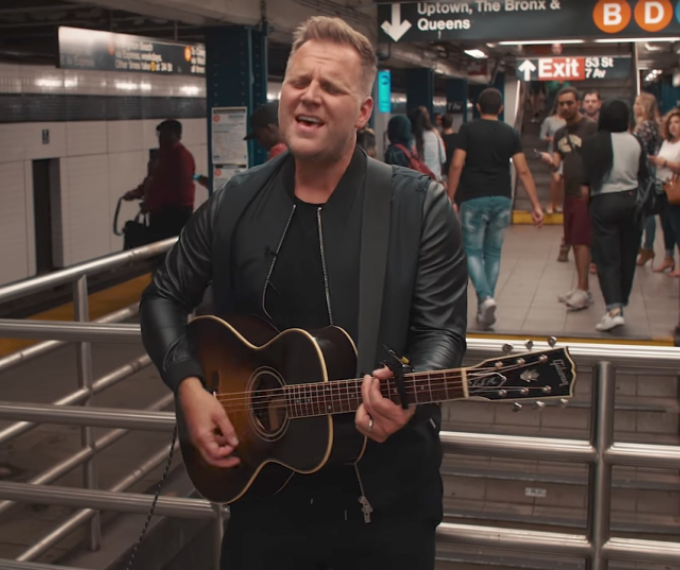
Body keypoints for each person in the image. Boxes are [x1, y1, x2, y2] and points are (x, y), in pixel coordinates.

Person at [138, 15, 467, 570]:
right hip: (262, 498)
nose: (309, 96)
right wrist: (189, 386)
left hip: (382, 507)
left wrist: (406, 392)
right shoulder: (237, 200)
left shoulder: (417, 207)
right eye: (297, 82)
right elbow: (163, 296)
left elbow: (442, 333)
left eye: (332, 88)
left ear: (363, 112)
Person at [447, 87, 544, 329]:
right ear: (500, 109)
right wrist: (535, 204)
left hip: (474, 197)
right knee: (493, 253)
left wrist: (449, 196)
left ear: (478, 108)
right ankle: (484, 306)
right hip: (501, 198)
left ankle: (486, 297)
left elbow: (457, 164)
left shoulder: (468, 130)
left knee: (471, 251)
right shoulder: (511, 133)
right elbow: (522, 169)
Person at [580, 100, 650, 332]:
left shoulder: (592, 143)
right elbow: (643, 175)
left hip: (604, 202)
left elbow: (585, 183)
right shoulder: (636, 141)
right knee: (628, 254)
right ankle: (621, 304)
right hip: (631, 202)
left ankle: (613, 309)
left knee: (607, 258)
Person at [539, 87, 599, 311]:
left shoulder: (591, 128)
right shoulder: (560, 134)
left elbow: (600, 158)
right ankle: (580, 286)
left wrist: (591, 184)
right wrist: (548, 161)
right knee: (574, 240)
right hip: (570, 192)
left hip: (586, 193)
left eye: (569, 103)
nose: (565, 107)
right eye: (561, 104)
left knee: (583, 241)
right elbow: (557, 163)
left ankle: (583, 290)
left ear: (578, 103)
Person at [123, 119, 196, 242]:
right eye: (160, 135)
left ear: (177, 136)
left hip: (173, 215)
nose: (161, 139)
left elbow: (173, 190)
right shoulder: (164, 155)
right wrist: (138, 192)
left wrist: (150, 204)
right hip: (165, 213)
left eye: (166, 135)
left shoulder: (179, 157)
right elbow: (153, 180)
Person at [650, 108, 680, 276]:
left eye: (677, 122)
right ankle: (668, 257)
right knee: (666, 226)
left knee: (678, 227)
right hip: (662, 188)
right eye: (670, 122)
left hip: (677, 188)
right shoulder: (666, 142)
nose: (673, 126)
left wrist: (663, 162)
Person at [633, 92, 662, 267]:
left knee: (645, 208)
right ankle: (645, 246)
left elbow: (639, 150)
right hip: (650, 169)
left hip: (644, 171)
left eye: (638, 104)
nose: (635, 107)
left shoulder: (644, 127)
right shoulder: (654, 125)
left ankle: (646, 247)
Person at [539, 100, 566, 215]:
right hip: (553, 152)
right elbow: (542, 136)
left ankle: (558, 204)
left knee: (563, 180)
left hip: (566, 151)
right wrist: (551, 139)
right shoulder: (549, 120)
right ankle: (550, 203)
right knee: (556, 179)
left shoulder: (568, 121)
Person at [410, 106, 446, 180]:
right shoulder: (435, 135)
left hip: (418, 180)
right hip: (435, 179)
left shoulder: (411, 138)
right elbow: (443, 158)